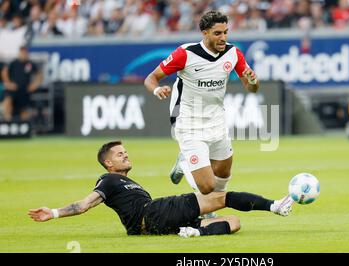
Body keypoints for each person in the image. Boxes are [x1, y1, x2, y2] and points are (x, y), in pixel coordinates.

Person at [28, 141, 295, 237]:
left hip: (154, 224)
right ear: (108, 163)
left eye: (126, 152)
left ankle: (194, 233)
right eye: (120, 154)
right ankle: (275, 206)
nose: (126, 156)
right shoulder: (108, 180)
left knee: (234, 222)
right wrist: (52, 213)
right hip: (153, 214)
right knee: (220, 197)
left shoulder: (132, 185)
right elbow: (84, 205)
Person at [144, 10, 259, 198]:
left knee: (223, 175)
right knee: (207, 186)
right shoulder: (185, 54)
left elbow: (251, 88)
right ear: (205, 33)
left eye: (226, 32)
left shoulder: (233, 53)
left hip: (217, 120)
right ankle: (184, 162)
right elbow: (151, 78)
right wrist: (157, 89)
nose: (223, 38)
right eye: (217, 33)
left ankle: (209, 211)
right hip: (188, 120)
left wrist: (253, 80)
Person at [1, 45, 43, 121]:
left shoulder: (30, 64)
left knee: (24, 110)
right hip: (13, 90)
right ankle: (8, 122)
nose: (23, 54)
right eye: (22, 52)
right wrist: (9, 83)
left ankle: (24, 127)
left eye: (25, 52)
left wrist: (34, 85)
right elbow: (5, 72)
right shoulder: (14, 63)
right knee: (8, 101)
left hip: (24, 91)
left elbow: (39, 75)